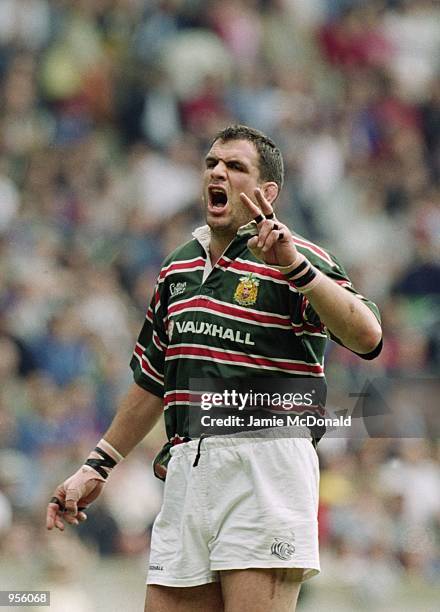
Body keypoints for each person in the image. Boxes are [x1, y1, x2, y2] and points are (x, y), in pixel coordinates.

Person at [46, 125, 383, 612]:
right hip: (187, 466)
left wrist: (297, 270)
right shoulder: (177, 267)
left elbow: (368, 336)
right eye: (211, 164)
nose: (217, 172)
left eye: (235, 166)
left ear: (267, 193)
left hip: (265, 463)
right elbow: (152, 380)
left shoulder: (297, 256)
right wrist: (97, 464)